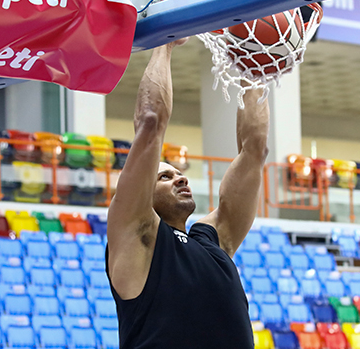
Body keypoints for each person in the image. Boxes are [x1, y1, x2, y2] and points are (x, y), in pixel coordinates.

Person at [105, 37, 270, 349]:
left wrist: (255, 64)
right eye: (165, 177)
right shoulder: (138, 237)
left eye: (179, 174)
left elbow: (254, 148)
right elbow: (150, 123)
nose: (179, 179)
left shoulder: (214, 240)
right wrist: (164, 43)